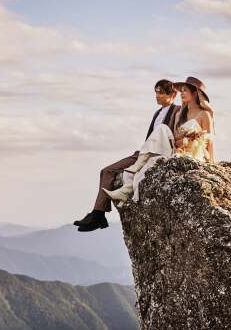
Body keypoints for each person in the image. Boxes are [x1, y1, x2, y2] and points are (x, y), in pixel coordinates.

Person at [73, 80, 179, 232]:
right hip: (143, 151)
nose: (157, 95)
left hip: (157, 154)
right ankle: (98, 214)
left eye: (161, 92)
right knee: (107, 171)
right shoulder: (158, 113)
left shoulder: (177, 111)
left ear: (173, 94)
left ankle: (97, 216)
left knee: (115, 171)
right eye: (156, 92)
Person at [103, 76, 214, 204]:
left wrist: (211, 163)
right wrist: (183, 139)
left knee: (153, 160)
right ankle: (130, 181)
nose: (181, 93)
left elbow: (209, 141)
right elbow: (176, 139)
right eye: (181, 90)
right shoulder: (181, 114)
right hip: (176, 151)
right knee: (162, 129)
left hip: (193, 155)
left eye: (185, 90)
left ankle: (128, 187)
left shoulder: (204, 114)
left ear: (195, 93)